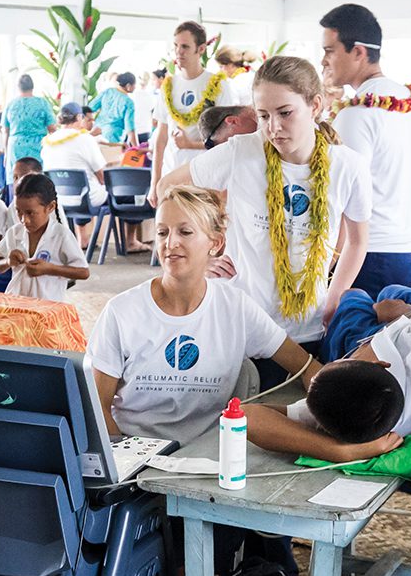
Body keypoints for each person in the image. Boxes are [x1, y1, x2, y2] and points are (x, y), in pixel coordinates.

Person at [165, 54, 369, 361]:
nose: (273, 128)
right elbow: (168, 188)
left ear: (315, 106)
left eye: (285, 113)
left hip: (308, 327)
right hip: (241, 324)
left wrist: (335, 296)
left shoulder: (348, 166)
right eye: (263, 116)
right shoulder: (241, 152)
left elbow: (357, 240)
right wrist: (197, 261)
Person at [86, 186, 317, 446]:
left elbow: (307, 368)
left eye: (185, 232)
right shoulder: (122, 312)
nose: (170, 243)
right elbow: (96, 408)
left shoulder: (235, 308)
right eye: (162, 232)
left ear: (215, 243)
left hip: (209, 457)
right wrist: (128, 469)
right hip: (135, 459)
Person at [245, 287, 411, 465]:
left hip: (398, 342)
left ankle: (359, 302)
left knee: (353, 300)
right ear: (381, 363)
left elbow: (244, 416)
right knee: (388, 294)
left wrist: (339, 451)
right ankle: (370, 303)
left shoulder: (347, 413)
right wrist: (405, 311)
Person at [318, 2, 411, 292]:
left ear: (358, 52)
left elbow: (343, 199)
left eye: (330, 50)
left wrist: (328, 270)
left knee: (360, 339)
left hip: (371, 255)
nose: (324, 61)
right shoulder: (410, 102)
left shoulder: (355, 113)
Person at [0, 172, 90, 304]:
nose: (24, 219)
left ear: (50, 207)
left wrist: (49, 269)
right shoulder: (14, 233)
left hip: (47, 308)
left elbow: (83, 272)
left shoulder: (61, 235)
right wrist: (8, 262)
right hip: (16, 304)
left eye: (30, 213)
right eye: (18, 211)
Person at [149, 21, 231, 180]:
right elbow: (161, 137)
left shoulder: (219, 85)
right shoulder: (168, 85)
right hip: (171, 174)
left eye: (185, 47)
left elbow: (228, 139)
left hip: (206, 177)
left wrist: (191, 145)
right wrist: (155, 182)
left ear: (201, 49)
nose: (179, 52)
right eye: (176, 46)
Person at [40, 102, 107, 207]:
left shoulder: (48, 141)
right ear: (79, 117)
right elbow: (102, 177)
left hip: (58, 199)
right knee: (121, 195)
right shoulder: (85, 139)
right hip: (87, 199)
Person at [2, 72, 56, 166]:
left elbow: (6, 131)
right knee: (37, 178)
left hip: (15, 149)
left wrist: (6, 153)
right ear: (32, 87)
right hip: (38, 148)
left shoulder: (10, 105)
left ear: (18, 87)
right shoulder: (43, 103)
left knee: (17, 178)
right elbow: (52, 129)